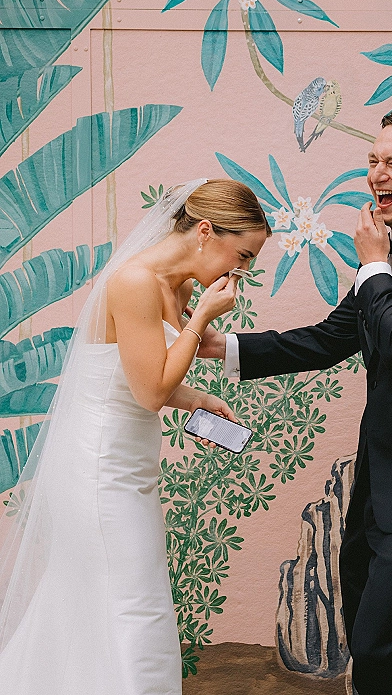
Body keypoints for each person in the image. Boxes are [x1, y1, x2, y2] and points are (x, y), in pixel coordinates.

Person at [198, 110, 392, 694]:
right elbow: (334, 336)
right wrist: (226, 348)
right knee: (381, 649)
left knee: (378, 647)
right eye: (372, 160)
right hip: (381, 486)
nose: (375, 175)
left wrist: (372, 264)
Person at [0, 178, 271, 694]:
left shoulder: (180, 285)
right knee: (135, 608)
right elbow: (148, 391)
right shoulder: (134, 281)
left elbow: (140, 374)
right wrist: (202, 324)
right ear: (206, 232)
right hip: (98, 470)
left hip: (131, 464)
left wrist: (198, 401)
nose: (242, 272)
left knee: (116, 605)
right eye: (242, 256)